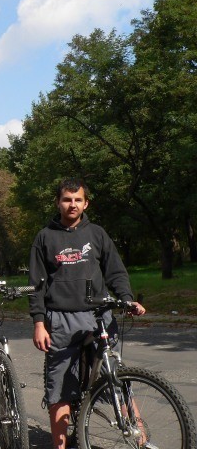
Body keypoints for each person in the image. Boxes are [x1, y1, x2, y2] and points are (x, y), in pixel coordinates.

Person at [29, 177, 146, 449]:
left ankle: (141, 440)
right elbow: (36, 285)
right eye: (67, 199)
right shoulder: (45, 237)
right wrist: (38, 322)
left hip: (99, 317)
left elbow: (115, 271)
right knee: (59, 387)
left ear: (85, 203)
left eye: (78, 200)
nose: (72, 204)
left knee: (117, 378)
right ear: (58, 202)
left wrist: (127, 300)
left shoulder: (97, 234)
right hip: (60, 319)